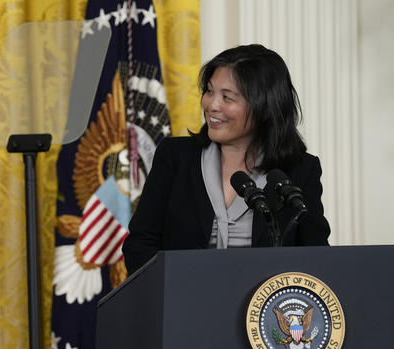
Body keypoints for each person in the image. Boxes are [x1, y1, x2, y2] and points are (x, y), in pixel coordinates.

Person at [123, 44, 330, 274]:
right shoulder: (175, 157)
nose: (212, 105)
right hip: (182, 304)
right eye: (209, 91)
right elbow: (140, 244)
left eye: (227, 97)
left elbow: (317, 257)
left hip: (264, 308)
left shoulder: (300, 170)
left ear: (265, 106)